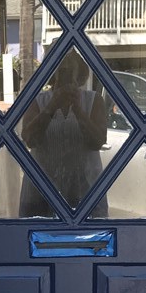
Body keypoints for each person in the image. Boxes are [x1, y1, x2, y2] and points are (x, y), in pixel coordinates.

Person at [19, 53, 108, 217]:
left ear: (79, 73)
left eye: (69, 70)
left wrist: (78, 110)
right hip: (41, 192)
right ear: (53, 73)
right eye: (61, 70)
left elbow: (98, 141)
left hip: (85, 191)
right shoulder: (37, 101)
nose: (65, 76)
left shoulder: (93, 100)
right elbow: (30, 139)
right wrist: (52, 106)